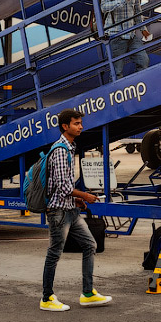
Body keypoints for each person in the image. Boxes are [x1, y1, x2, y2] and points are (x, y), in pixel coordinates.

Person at [40, 109, 111, 311]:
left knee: (90, 245)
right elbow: (63, 187)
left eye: (80, 123)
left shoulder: (70, 147)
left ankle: (88, 293)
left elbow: (63, 185)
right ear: (65, 126)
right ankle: (46, 298)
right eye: (76, 123)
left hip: (70, 209)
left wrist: (77, 201)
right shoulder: (61, 150)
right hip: (58, 212)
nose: (81, 126)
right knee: (54, 253)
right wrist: (84, 196)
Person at [100, 0, 150, 79]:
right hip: (115, 35)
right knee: (117, 72)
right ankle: (118, 94)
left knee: (143, 61)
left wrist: (143, 28)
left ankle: (139, 89)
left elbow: (137, 9)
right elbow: (103, 8)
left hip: (131, 34)